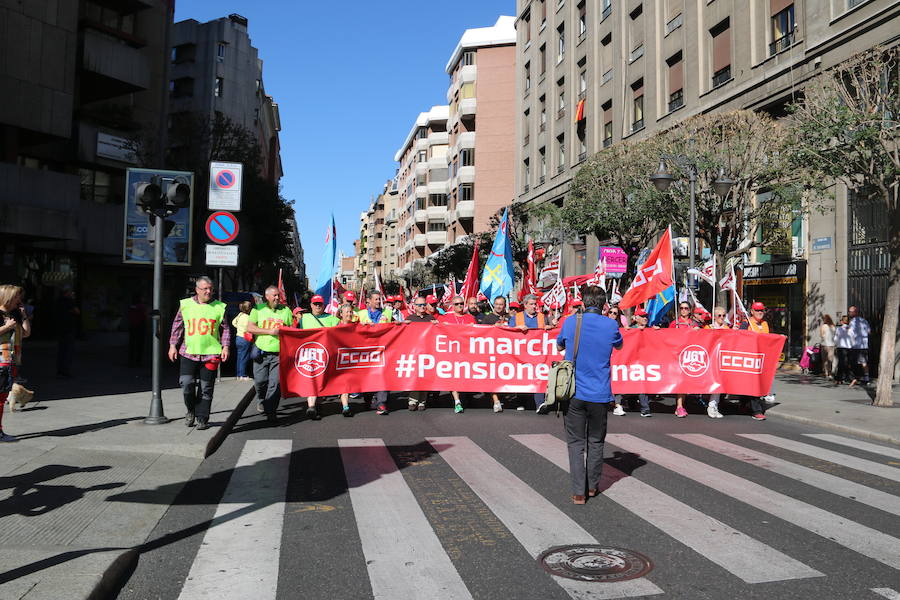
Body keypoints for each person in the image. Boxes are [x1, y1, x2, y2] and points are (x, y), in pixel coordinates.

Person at [557, 285, 622, 504]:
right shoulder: (611, 324)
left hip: (574, 392)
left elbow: (559, 344)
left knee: (575, 444)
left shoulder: (570, 321)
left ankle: (578, 492)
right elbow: (619, 345)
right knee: (596, 441)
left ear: (583, 303)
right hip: (600, 394)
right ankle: (593, 487)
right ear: (604, 305)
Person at [167, 276, 230, 430]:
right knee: (186, 383)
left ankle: (202, 418)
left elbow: (226, 329)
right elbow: (177, 326)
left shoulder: (219, 306)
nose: (208, 291)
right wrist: (172, 345)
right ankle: (190, 410)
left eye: (210, 289)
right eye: (205, 289)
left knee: (206, 388)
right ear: (197, 290)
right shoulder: (185, 305)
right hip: (189, 352)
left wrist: (225, 347)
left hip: (211, 354)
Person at [245, 285, 295, 424]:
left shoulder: (286, 311)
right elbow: (250, 328)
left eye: (278, 295)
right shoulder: (258, 309)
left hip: (279, 353)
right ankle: (261, 400)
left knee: (276, 383)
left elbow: (291, 330)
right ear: (267, 297)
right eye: (274, 295)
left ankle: (271, 411)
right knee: (260, 381)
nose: (277, 298)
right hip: (261, 352)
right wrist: (270, 331)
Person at [300, 295, 341, 419]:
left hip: (326, 355)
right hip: (309, 355)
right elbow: (297, 333)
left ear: (323, 305)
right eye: (315, 304)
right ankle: (311, 406)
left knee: (321, 381)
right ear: (311, 305)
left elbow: (342, 332)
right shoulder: (304, 318)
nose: (318, 306)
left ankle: (317, 406)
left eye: (320, 304)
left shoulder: (332, 319)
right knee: (311, 379)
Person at [510, 294, 553, 413]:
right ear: (525, 305)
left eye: (535, 304)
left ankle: (539, 404)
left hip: (538, 353)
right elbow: (508, 333)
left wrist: (549, 328)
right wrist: (517, 327)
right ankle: (521, 401)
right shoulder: (517, 317)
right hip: (521, 353)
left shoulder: (541, 317)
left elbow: (546, 329)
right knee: (523, 376)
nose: (535, 306)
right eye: (532, 304)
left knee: (539, 376)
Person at [0, 284, 32, 442]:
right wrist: (7, 327)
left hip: (12, 360)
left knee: (3, 395)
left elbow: (26, 333)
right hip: (1, 360)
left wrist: (23, 314)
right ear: (8, 297)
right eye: (17, 296)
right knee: (0, 398)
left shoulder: (15, 314)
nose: (19, 299)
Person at [439, 295, 477, 414]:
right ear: (452, 305)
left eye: (461, 303)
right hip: (451, 353)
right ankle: (457, 401)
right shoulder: (445, 318)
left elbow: (478, 334)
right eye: (456, 304)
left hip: (466, 353)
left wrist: (473, 328)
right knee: (453, 377)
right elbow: (435, 330)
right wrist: (440, 325)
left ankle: (464, 397)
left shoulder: (470, 318)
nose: (459, 306)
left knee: (463, 378)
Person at [357, 291, 393, 414]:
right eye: (376, 299)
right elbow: (349, 326)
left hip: (383, 351)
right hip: (366, 352)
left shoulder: (387, 313)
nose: (378, 301)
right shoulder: (360, 314)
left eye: (379, 299)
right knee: (367, 378)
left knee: (383, 376)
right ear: (369, 301)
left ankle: (382, 403)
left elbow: (395, 327)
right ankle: (368, 399)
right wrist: (361, 325)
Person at [669, 300, 703, 417]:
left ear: (690, 311)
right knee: (680, 381)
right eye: (682, 308)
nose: (684, 310)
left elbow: (700, 339)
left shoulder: (693, 324)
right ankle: (679, 407)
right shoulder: (675, 323)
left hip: (689, 356)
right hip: (676, 355)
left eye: (686, 308)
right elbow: (667, 337)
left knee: (684, 381)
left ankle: (680, 406)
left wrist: (698, 332)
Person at [739, 301, 771, 420]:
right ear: (751, 312)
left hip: (761, 360)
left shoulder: (765, 324)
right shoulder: (746, 322)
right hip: (749, 359)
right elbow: (740, 336)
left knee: (751, 384)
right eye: (757, 310)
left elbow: (769, 340)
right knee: (754, 384)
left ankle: (743, 404)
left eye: (761, 310)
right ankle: (756, 410)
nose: (760, 312)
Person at [405, 297, 436, 411]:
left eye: (424, 304)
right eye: (419, 305)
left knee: (425, 376)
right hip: (414, 352)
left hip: (428, 352)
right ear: (414, 307)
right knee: (415, 377)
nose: (422, 307)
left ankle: (422, 401)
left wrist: (437, 324)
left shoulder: (430, 318)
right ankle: (413, 401)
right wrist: (403, 324)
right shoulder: (410, 318)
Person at [704, 307, 731, 419]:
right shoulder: (708, 327)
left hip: (721, 360)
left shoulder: (727, 328)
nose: (721, 318)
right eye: (719, 315)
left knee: (718, 383)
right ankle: (710, 404)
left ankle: (713, 405)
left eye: (724, 315)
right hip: (709, 359)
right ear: (714, 316)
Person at [335, 304, 359, 416]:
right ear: (341, 314)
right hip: (341, 359)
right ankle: (345, 407)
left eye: (351, 312)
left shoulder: (356, 326)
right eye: (347, 312)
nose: (349, 314)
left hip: (355, 359)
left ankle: (368, 400)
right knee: (344, 383)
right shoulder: (335, 327)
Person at [606, 306, 627, 417]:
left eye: (615, 313)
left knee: (617, 380)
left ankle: (618, 405)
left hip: (617, 359)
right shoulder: (601, 326)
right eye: (611, 312)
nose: (612, 315)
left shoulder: (621, 329)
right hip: (603, 358)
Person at [56, 286, 79, 377]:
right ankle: (65, 370)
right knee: (68, 350)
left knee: (61, 350)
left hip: (60, 328)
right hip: (68, 328)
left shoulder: (58, 301)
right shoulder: (70, 302)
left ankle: (60, 369)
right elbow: (77, 312)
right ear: (67, 293)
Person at [847, 305, 871, 387]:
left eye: (850, 311)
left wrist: (850, 344)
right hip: (864, 345)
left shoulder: (852, 322)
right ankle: (866, 378)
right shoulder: (864, 321)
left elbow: (850, 334)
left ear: (855, 312)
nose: (849, 313)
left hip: (856, 346)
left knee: (852, 363)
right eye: (849, 311)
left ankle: (854, 378)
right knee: (864, 362)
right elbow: (869, 332)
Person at [231, 301, 253, 381]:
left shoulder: (240, 315)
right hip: (245, 338)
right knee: (245, 357)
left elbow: (233, 322)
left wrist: (238, 327)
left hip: (238, 337)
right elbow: (250, 327)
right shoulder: (248, 318)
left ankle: (238, 374)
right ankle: (242, 375)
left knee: (240, 357)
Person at [126, 293, 148, 367]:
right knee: (139, 345)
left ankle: (131, 360)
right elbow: (144, 315)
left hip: (133, 326)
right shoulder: (142, 307)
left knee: (132, 344)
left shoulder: (131, 307)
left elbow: (129, 315)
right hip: (140, 326)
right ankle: (138, 361)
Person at [834, 314, 853, 384]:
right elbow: (853, 339)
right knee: (847, 363)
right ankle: (847, 377)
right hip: (849, 348)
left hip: (841, 347)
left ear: (842, 321)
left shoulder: (839, 329)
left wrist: (836, 344)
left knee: (841, 363)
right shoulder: (851, 329)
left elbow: (835, 339)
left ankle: (839, 378)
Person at [819, 314, 836, 380]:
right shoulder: (833, 326)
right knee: (830, 360)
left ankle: (826, 373)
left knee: (825, 360)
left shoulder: (823, 326)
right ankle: (830, 374)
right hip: (832, 345)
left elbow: (821, 335)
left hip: (824, 345)